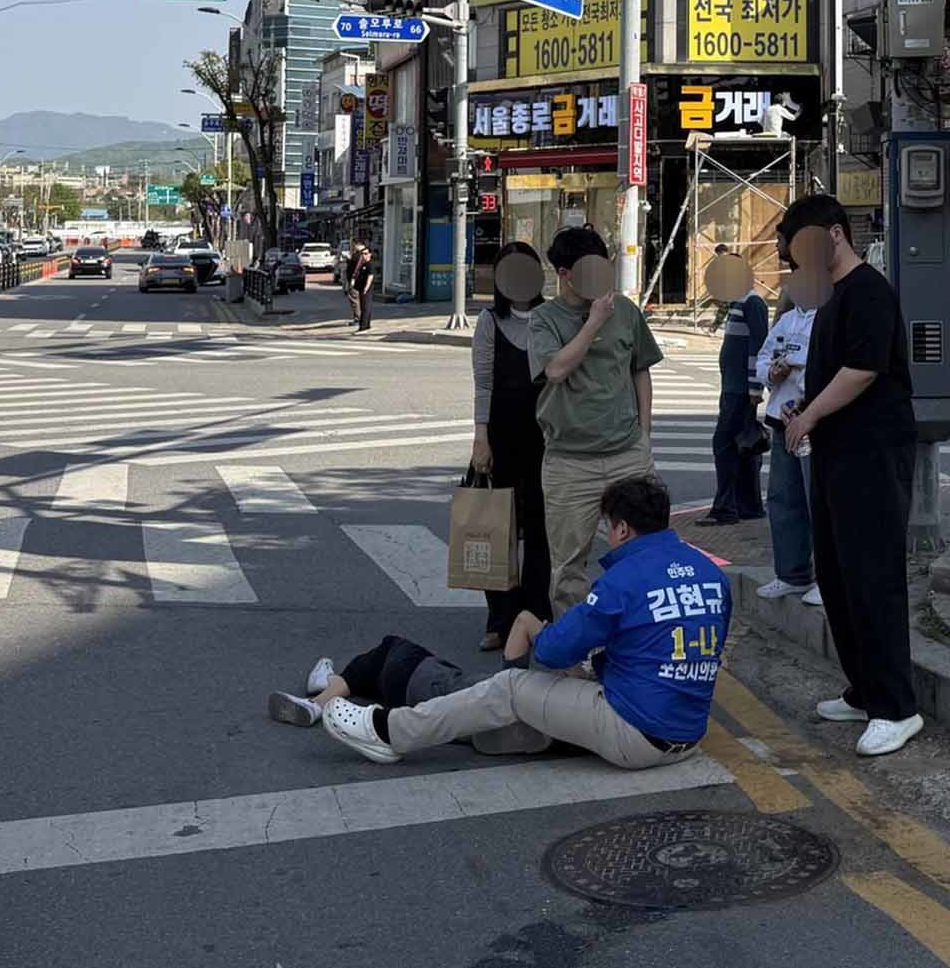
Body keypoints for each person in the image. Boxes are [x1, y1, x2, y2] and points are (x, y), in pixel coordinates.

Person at [321, 477, 731, 770]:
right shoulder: (711, 573)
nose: (608, 535)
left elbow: (553, 650)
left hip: (637, 736)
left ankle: (390, 732)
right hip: (689, 735)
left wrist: (539, 629)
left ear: (623, 528)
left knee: (509, 687)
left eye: (608, 527)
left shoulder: (622, 581)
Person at [780, 194, 923, 758]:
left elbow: (864, 369)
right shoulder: (834, 295)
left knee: (872, 577)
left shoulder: (869, 291)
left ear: (835, 234)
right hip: (837, 453)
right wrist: (802, 408)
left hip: (873, 453)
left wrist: (810, 413)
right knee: (837, 577)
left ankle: (897, 708)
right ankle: (864, 691)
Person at [530, 227, 663, 617]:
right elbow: (555, 370)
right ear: (565, 273)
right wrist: (592, 323)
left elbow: (640, 370)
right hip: (570, 462)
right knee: (570, 566)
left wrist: (644, 434)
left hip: (627, 453)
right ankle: (574, 659)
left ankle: (640, 639)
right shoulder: (545, 318)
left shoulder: (626, 312)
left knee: (648, 553)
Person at [471, 242, 552, 651]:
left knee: (540, 530)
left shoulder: (551, 318)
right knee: (498, 531)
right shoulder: (488, 322)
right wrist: (480, 438)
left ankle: (537, 614)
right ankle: (500, 620)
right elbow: (483, 383)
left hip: (546, 440)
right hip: (502, 439)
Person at [754, 283, 821, 606]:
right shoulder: (786, 320)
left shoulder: (828, 316)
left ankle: (828, 578)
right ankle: (792, 574)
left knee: (817, 500)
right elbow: (764, 359)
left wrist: (798, 367)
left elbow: (831, 367)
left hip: (812, 418)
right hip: (781, 418)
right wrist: (773, 372)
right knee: (783, 498)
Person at [698, 253, 768, 526]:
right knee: (743, 446)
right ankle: (748, 506)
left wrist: (754, 388)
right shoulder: (738, 302)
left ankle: (725, 508)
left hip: (741, 390)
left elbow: (759, 347)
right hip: (734, 388)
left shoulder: (753, 302)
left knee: (725, 444)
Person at [266, 635, 469, 728]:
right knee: (376, 678)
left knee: (392, 646)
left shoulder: (494, 692)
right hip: (407, 705)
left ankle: (318, 701)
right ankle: (330, 682)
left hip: (418, 678)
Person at [352, 246, 375, 333]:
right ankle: (367, 325)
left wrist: (366, 288)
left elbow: (370, 277)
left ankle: (363, 326)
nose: (363, 256)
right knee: (364, 307)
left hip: (366, 289)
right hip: (361, 288)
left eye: (365, 254)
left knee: (365, 307)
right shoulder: (363, 264)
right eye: (362, 254)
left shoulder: (370, 264)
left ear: (370, 254)